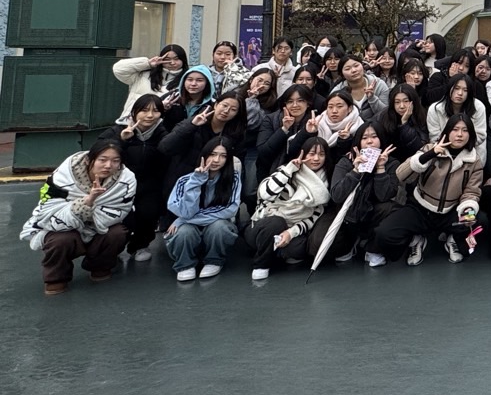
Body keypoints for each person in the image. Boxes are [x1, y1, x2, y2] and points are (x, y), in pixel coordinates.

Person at [20, 139, 136, 295]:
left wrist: (92, 212)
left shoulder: (126, 180)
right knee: (60, 239)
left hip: (98, 228)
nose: (108, 165)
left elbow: (119, 210)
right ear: (90, 159)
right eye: (102, 160)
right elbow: (47, 210)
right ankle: (56, 278)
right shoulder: (63, 177)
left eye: (115, 161)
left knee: (117, 233)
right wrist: (87, 201)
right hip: (64, 227)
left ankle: (100, 267)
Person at [377, 114, 483, 265]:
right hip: (421, 208)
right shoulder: (429, 148)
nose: (460, 134)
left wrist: (468, 211)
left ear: (470, 134)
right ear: (447, 132)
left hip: (450, 211)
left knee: (477, 226)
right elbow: (401, 174)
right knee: (385, 234)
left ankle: (452, 238)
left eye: (465, 130)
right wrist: (431, 154)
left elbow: (471, 192)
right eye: (455, 129)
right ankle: (416, 239)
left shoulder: (474, 160)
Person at [243, 136, 331, 279]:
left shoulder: (324, 183)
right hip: (263, 224)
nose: (316, 158)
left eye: (321, 154)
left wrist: (290, 233)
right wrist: (289, 169)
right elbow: (265, 194)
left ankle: (277, 250)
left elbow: (313, 217)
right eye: (312, 153)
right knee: (276, 222)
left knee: (297, 248)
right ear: (303, 153)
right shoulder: (286, 171)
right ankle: (261, 263)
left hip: (292, 226)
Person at [100, 94, 168, 262]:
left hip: (149, 184)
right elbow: (99, 151)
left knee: (148, 214)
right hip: (118, 185)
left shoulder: (162, 134)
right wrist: (121, 140)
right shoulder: (117, 130)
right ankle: (112, 248)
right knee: (119, 217)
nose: (150, 115)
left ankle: (139, 245)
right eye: (144, 110)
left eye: (155, 111)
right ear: (134, 112)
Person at [324, 123, 402, 268]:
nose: (370, 141)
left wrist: (380, 168)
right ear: (358, 142)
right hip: (348, 217)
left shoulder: (391, 163)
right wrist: (355, 171)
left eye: (374, 137)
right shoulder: (346, 161)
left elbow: (384, 196)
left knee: (393, 209)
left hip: (374, 215)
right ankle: (351, 245)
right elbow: (336, 195)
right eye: (364, 138)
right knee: (322, 245)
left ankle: (372, 248)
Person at [164, 137, 241, 281]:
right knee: (184, 231)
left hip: (213, 225)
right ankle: (185, 265)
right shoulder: (185, 180)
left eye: (223, 156)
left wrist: (182, 219)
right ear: (204, 155)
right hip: (190, 225)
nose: (216, 160)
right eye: (212, 154)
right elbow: (183, 210)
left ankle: (214, 261)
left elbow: (230, 210)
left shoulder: (233, 179)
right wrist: (196, 182)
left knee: (220, 227)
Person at [112, 44, 188, 123]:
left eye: (176, 59)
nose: (172, 63)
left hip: (157, 127)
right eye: (167, 59)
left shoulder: (186, 81)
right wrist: (148, 63)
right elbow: (118, 69)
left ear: (183, 60)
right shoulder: (142, 74)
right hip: (129, 122)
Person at [428, 74, 489, 165]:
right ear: (449, 88)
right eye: (456, 88)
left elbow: (480, 135)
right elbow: (435, 136)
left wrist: (460, 143)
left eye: (465, 90)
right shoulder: (435, 109)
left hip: (472, 152)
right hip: (443, 152)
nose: (460, 93)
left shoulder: (478, 107)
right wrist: (453, 145)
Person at [331, 54, 390, 121]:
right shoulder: (338, 92)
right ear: (342, 74)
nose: (353, 70)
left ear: (362, 66)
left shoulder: (379, 85)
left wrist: (372, 98)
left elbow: (386, 114)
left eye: (356, 66)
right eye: (347, 69)